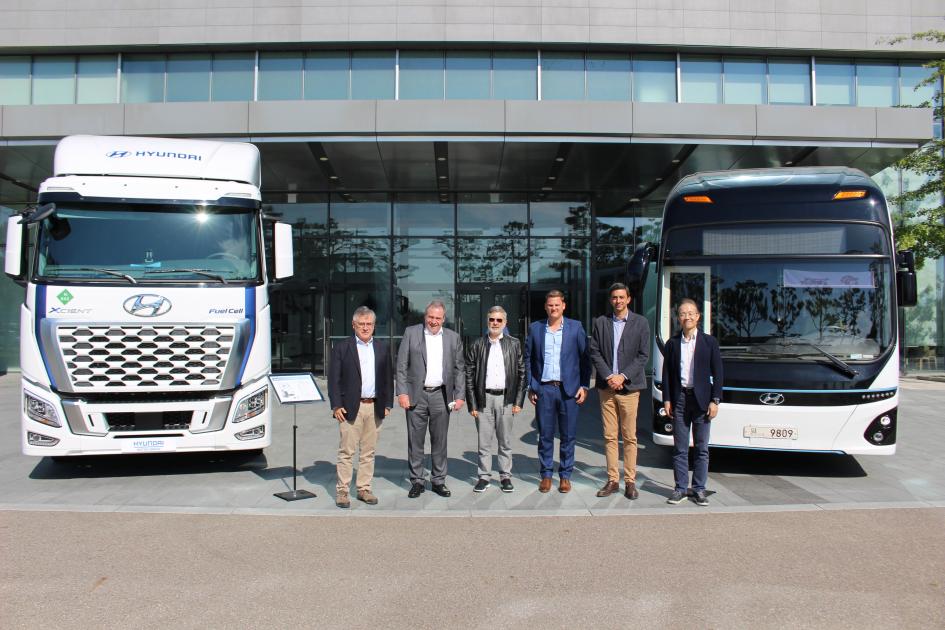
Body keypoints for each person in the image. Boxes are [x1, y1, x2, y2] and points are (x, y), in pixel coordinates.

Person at [397, 300, 465, 498]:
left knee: (440, 441)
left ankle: (438, 481)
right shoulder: (412, 333)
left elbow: (459, 369)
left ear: (444, 319)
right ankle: (417, 481)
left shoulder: (453, 338)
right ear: (425, 317)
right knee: (415, 441)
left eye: (438, 318)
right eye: (430, 317)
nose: (433, 321)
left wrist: (459, 395)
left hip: (441, 396)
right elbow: (401, 365)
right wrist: (401, 392)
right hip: (415, 396)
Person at [588, 282, 650, 500]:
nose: (618, 301)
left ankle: (630, 482)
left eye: (621, 297)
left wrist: (622, 376)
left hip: (630, 388)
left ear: (629, 299)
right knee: (609, 436)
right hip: (607, 388)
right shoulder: (601, 323)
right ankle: (613, 480)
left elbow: (643, 355)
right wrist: (609, 376)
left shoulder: (641, 323)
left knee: (630, 437)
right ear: (610, 300)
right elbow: (594, 352)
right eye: (614, 297)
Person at [525, 289, 591, 493]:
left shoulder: (575, 327)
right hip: (544, 389)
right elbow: (528, 358)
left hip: (568, 390)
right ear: (546, 307)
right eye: (550, 305)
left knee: (568, 435)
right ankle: (546, 474)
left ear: (564, 305)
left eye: (557, 304)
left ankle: (565, 475)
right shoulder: (535, 328)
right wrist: (531, 385)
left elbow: (585, 358)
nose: (553, 308)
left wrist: (584, 385)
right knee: (544, 434)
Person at [328, 306, 393, 509]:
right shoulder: (342, 348)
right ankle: (343, 491)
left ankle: (364, 489)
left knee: (368, 452)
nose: (365, 327)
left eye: (369, 324)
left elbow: (388, 378)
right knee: (346, 452)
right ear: (354, 325)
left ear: (374, 326)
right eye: (362, 324)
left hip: (374, 407)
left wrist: (388, 404)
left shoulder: (382, 348)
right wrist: (336, 404)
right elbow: (333, 379)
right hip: (349, 408)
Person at [661, 298, 723, 506]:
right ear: (678, 318)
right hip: (679, 399)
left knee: (702, 447)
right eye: (682, 313)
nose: (687, 316)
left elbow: (718, 373)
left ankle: (699, 489)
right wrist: (667, 399)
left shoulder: (709, 342)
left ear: (698, 316)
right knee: (680, 448)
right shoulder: (672, 343)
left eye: (691, 313)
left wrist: (715, 400)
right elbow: (667, 374)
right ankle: (680, 489)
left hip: (702, 401)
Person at [464, 305, 526, 493]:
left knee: (505, 441)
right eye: (492, 319)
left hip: (506, 400)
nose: (495, 323)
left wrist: (518, 401)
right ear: (487, 321)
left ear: (505, 322)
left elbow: (522, 372)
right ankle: (484, 477)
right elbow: (469, 375)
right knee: (484, 443)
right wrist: (472, 403)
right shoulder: (477, 344)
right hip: (484, 399)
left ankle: (505, 476)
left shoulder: (514, 344)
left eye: (499, 320)